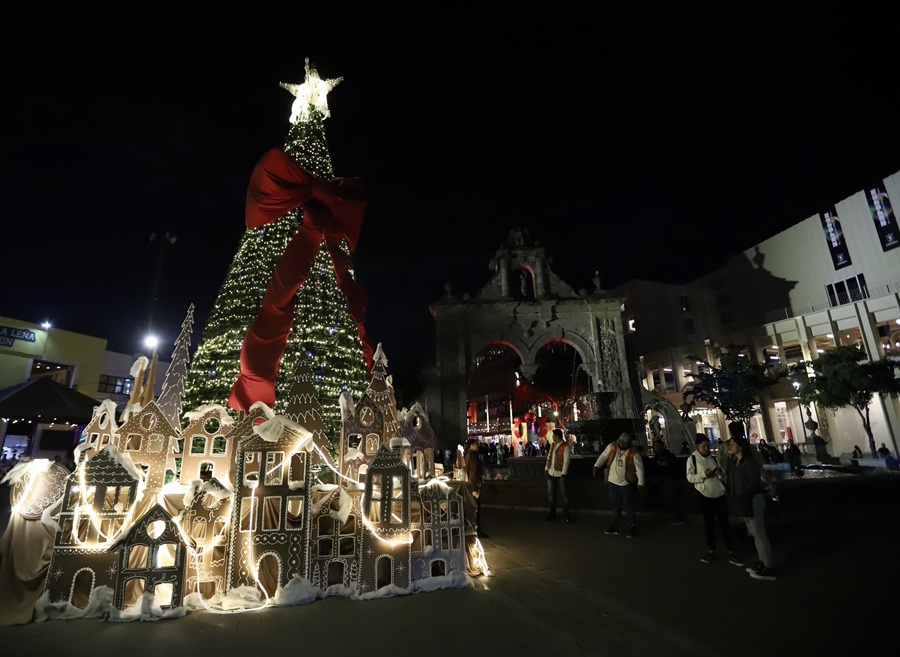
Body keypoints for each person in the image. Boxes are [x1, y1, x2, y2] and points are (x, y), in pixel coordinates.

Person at [686, 434, 744, 566]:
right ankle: (711, 551)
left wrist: (719, 473)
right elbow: (690, 477)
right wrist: (704, 475)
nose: (706, 449)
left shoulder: (713, 458)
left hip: (719, 494)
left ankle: (731, 552)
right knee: (709, 525)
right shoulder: (693, 459)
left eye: (708, 446)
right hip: (705, 495)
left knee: (724, 524)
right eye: (703, 446)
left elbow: (723, 476)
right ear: (697, 447)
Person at [730, 437, 777, 580]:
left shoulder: (749, 462)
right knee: (754, 533)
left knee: (760, 533)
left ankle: (769, 567)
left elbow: (755, 481)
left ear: (741, 447)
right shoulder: (736, 462)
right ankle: (762, 562)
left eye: (732, 444)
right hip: (744, 501)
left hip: (753, 499)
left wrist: (743, 493)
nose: (730, 447)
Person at [593, 432, 645, 538]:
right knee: (615, 506)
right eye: (620, 442)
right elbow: (603, 456)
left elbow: (640, 469)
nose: (621, 444)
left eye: (624, 443)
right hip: (613, 482)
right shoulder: (612, 446)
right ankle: (615, 526)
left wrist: (640, 483)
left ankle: (631, 527)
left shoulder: (634, 453)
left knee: (629, 507)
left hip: (627, 484)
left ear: (629, 443)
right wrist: (597, 466)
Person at [651, 439, 685, 524]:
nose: (656, 447)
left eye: (658, 445)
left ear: (662, 446)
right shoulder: (656, 457)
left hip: (669, 479)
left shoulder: (669, 456)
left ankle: (677, 517)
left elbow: (674, 466)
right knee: (667, 498)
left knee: (673, 498)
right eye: (655, 446)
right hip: (662, 480)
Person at [544, 428, 571, 522]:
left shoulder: (566, 447)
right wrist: (546, 468)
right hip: (551, 473)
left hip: (560, 475)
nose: (552, 437)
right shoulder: (552, 445)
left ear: (557, 436)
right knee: (551, 495)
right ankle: (552, 514)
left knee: (564, 496)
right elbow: (549, 457)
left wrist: (563, 475)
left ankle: (566, 515)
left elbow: (566, 461)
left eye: (553, 435)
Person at [464, 439, 488, 538]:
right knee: (476, 508)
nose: (477, 445)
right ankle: (477, 529)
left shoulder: (467, 455)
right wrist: (474, 488)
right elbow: (473, 472)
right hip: (473, 485)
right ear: (471, 446)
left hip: (469, 484)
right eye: (475, 444)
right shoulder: (473, 456)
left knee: (473, 508)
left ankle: (474, 528)